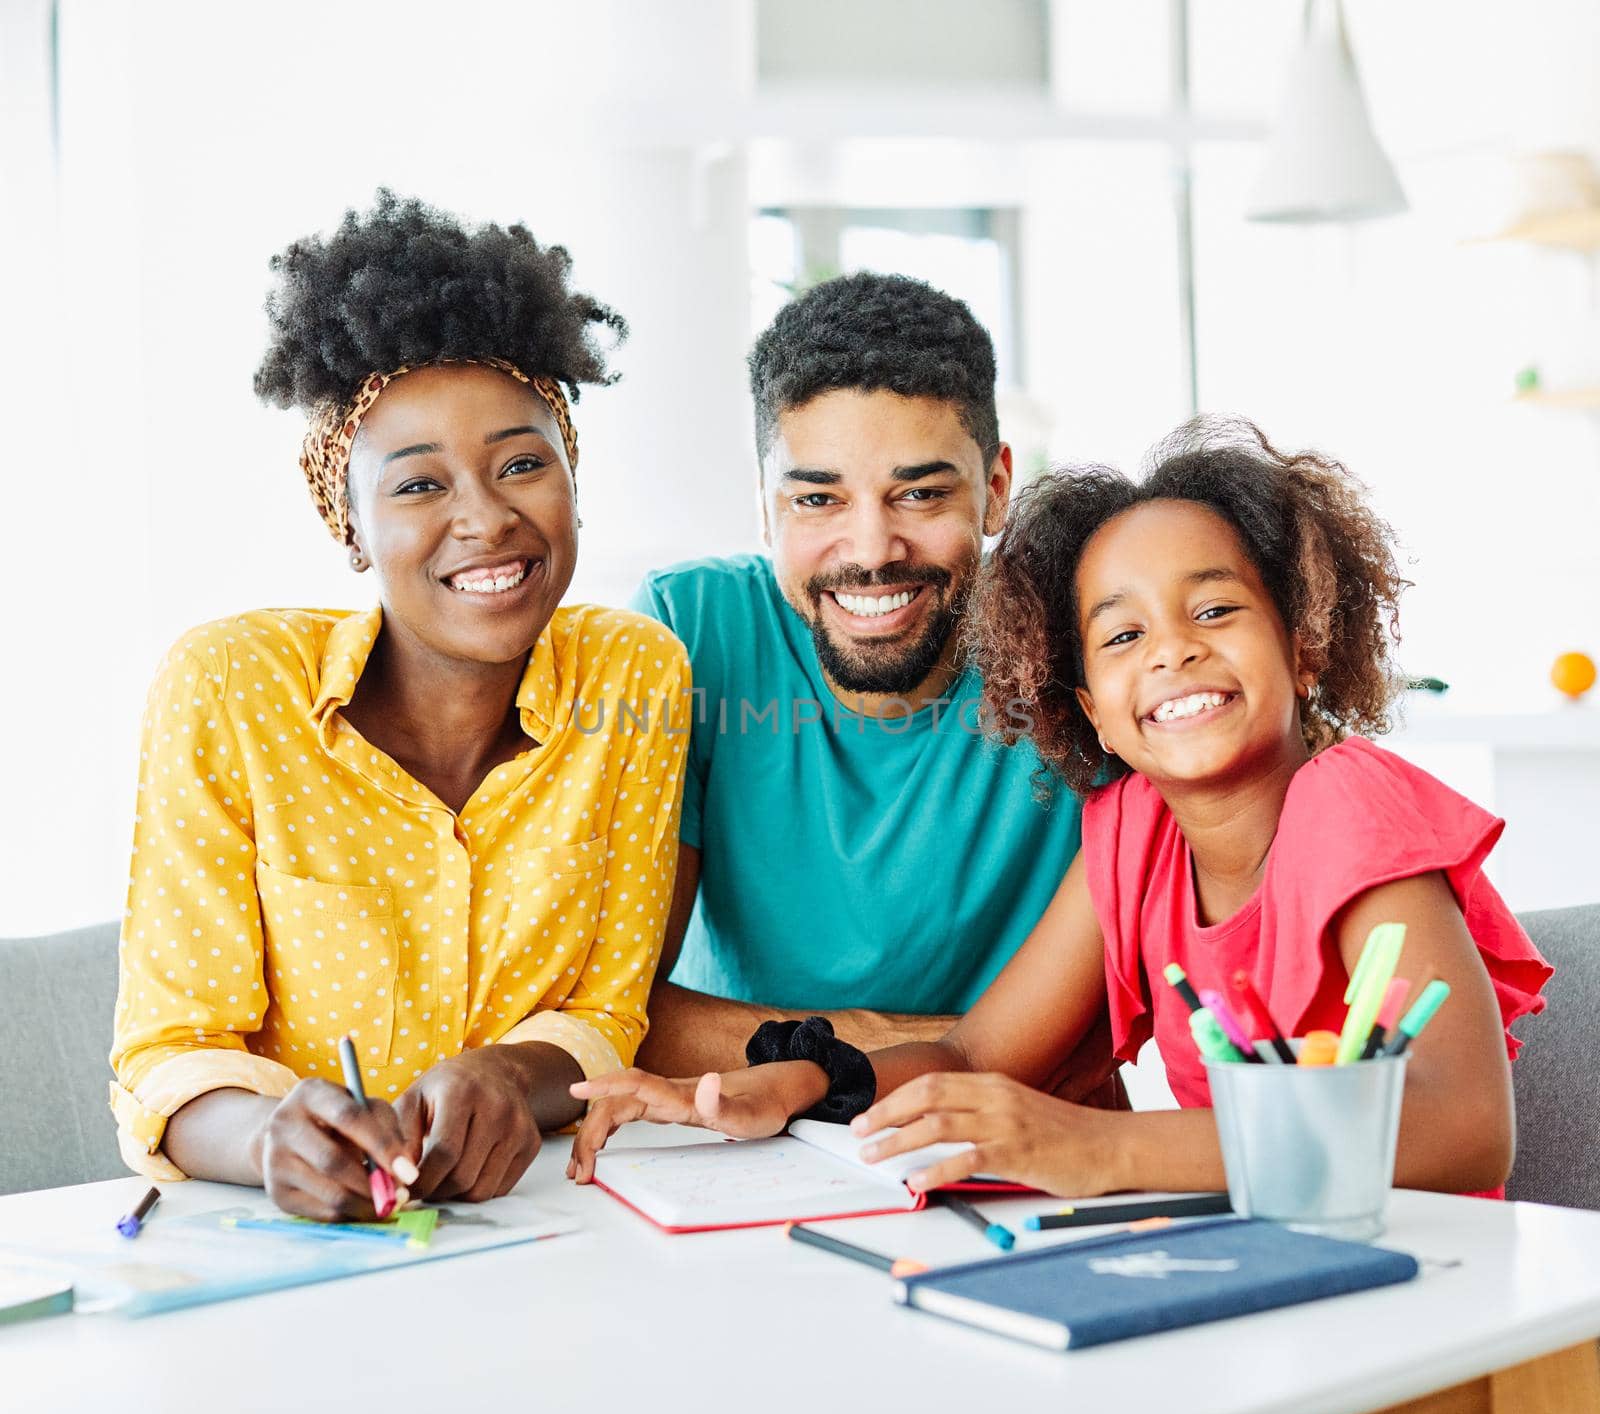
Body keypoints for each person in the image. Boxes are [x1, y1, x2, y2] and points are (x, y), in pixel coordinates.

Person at [569, 418, 1552, 1198]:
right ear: (1090, 711)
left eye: (1213, 610)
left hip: (1421, 1278)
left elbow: (1462, 1127)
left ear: (1303, 644)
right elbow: (974, 1051)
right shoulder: (1132, 834)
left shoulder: (1348, 806)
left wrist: (1104, 1145)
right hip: (1265, 1255)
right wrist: (801, 1083)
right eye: (1121, 636)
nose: (1170, 651)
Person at [110, 192, 690, 1220]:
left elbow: (607, 1009)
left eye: (522, 464)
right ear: (351, 524)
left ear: (571, 478)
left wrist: (511, 1075)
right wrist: (266, 1139)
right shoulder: (231, 688)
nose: (485, 518)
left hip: (550, 1229)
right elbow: (171, 1047)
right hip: (282, 1253)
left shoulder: (634, 675)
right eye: (419, 486)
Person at [628, 273, 1104, 1098]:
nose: (872, 548)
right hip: (730, 1133)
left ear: (995, 490)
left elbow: (1121, 1027)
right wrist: (949, 1045)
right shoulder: (686, 630)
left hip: (1008, 1140)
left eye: (919, 494)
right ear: (765, 507)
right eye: (819, 498)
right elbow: (618, 1009)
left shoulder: (1088, 637)